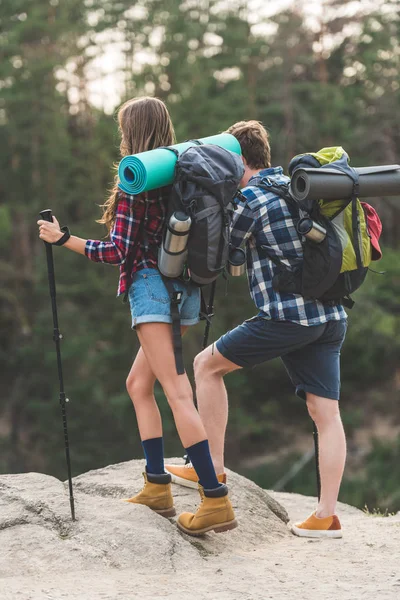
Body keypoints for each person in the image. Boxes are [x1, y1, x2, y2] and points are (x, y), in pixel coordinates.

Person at [37, 96, 236, 537]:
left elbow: (115, 251)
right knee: (138, 384)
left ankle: (215, 499)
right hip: (186, 293)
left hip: (151, 291)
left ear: (131, 131)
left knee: (177, 392)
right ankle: (157, 485)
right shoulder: (185, 170)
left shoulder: (136, 179)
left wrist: (62, 238)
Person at [166, 120, 347, 539]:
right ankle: (326, 516)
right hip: (332, 317)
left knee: (206, 366)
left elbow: (224, 257)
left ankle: (209, 468)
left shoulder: (251, 197)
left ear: (237, 158)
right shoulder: (303, 187)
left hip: (288, 318)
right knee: (326, 414)